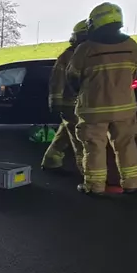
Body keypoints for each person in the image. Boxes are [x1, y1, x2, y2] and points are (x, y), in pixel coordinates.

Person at [67, 2, 137, 195]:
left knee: (94, 147)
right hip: (125, 108)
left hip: (93, 109)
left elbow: (73, 77)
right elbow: (135, 74)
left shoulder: (86, 49)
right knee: (126, 145)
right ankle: (132, 184)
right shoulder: (131, 45)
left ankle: (95, 186)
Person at [41, 20, 89, 173]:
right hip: (72, 105)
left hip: (75, 105)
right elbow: (57, 81)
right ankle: (88, 175)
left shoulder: (85, 54)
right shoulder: (70, 56)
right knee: (81, 141)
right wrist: (56, 103)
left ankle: (50, 161)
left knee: (64, 135)